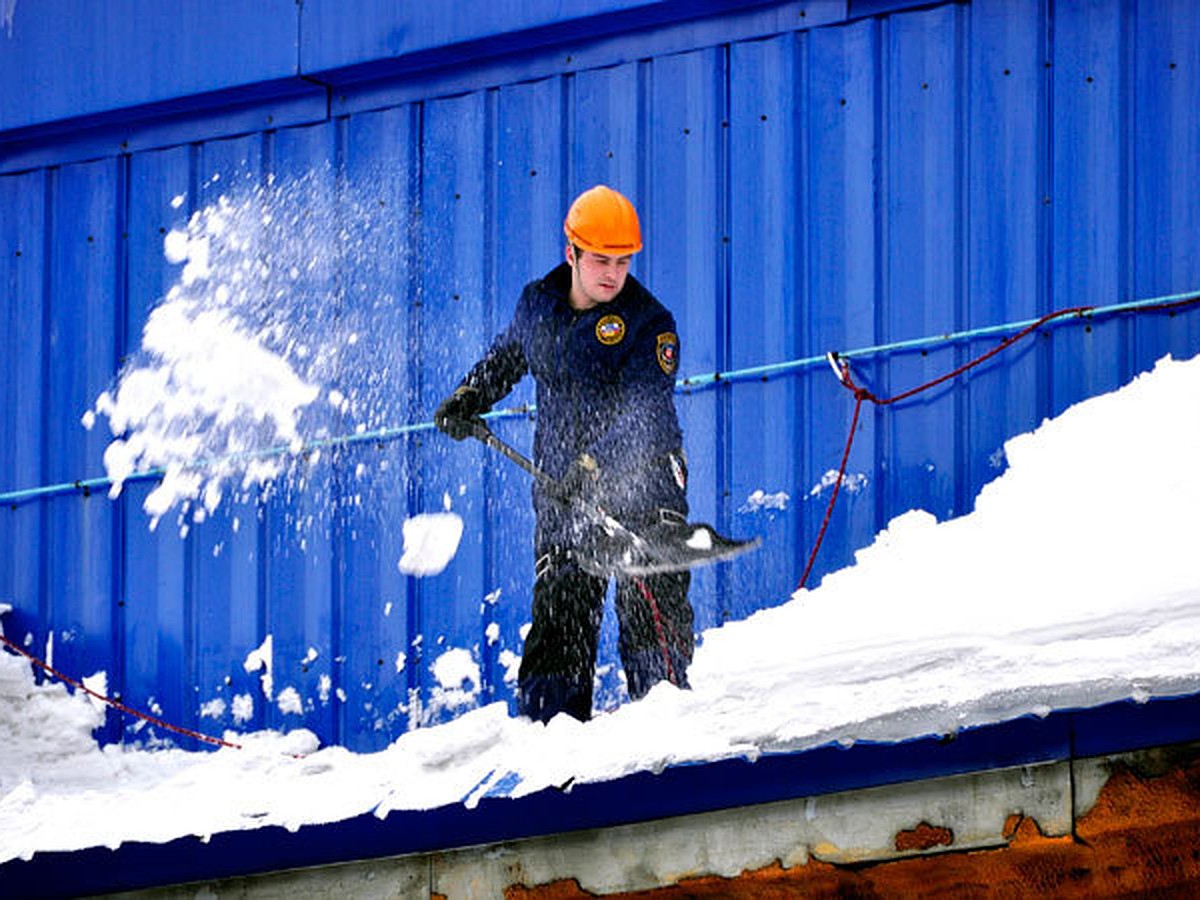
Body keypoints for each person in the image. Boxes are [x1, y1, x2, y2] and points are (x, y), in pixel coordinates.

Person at [434, 184, 694, 723]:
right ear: (571, 252)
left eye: (623, 262)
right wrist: (468, 396)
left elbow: (645, 412)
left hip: (642, 493)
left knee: (649, 618)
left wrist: (592, 466)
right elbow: (508, 356)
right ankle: (551, 750)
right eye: (600, 260)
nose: (612, 275)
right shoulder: (538, 304)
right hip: (564, 500)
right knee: (560, 623)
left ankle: (667, 740)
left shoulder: (648, 323)